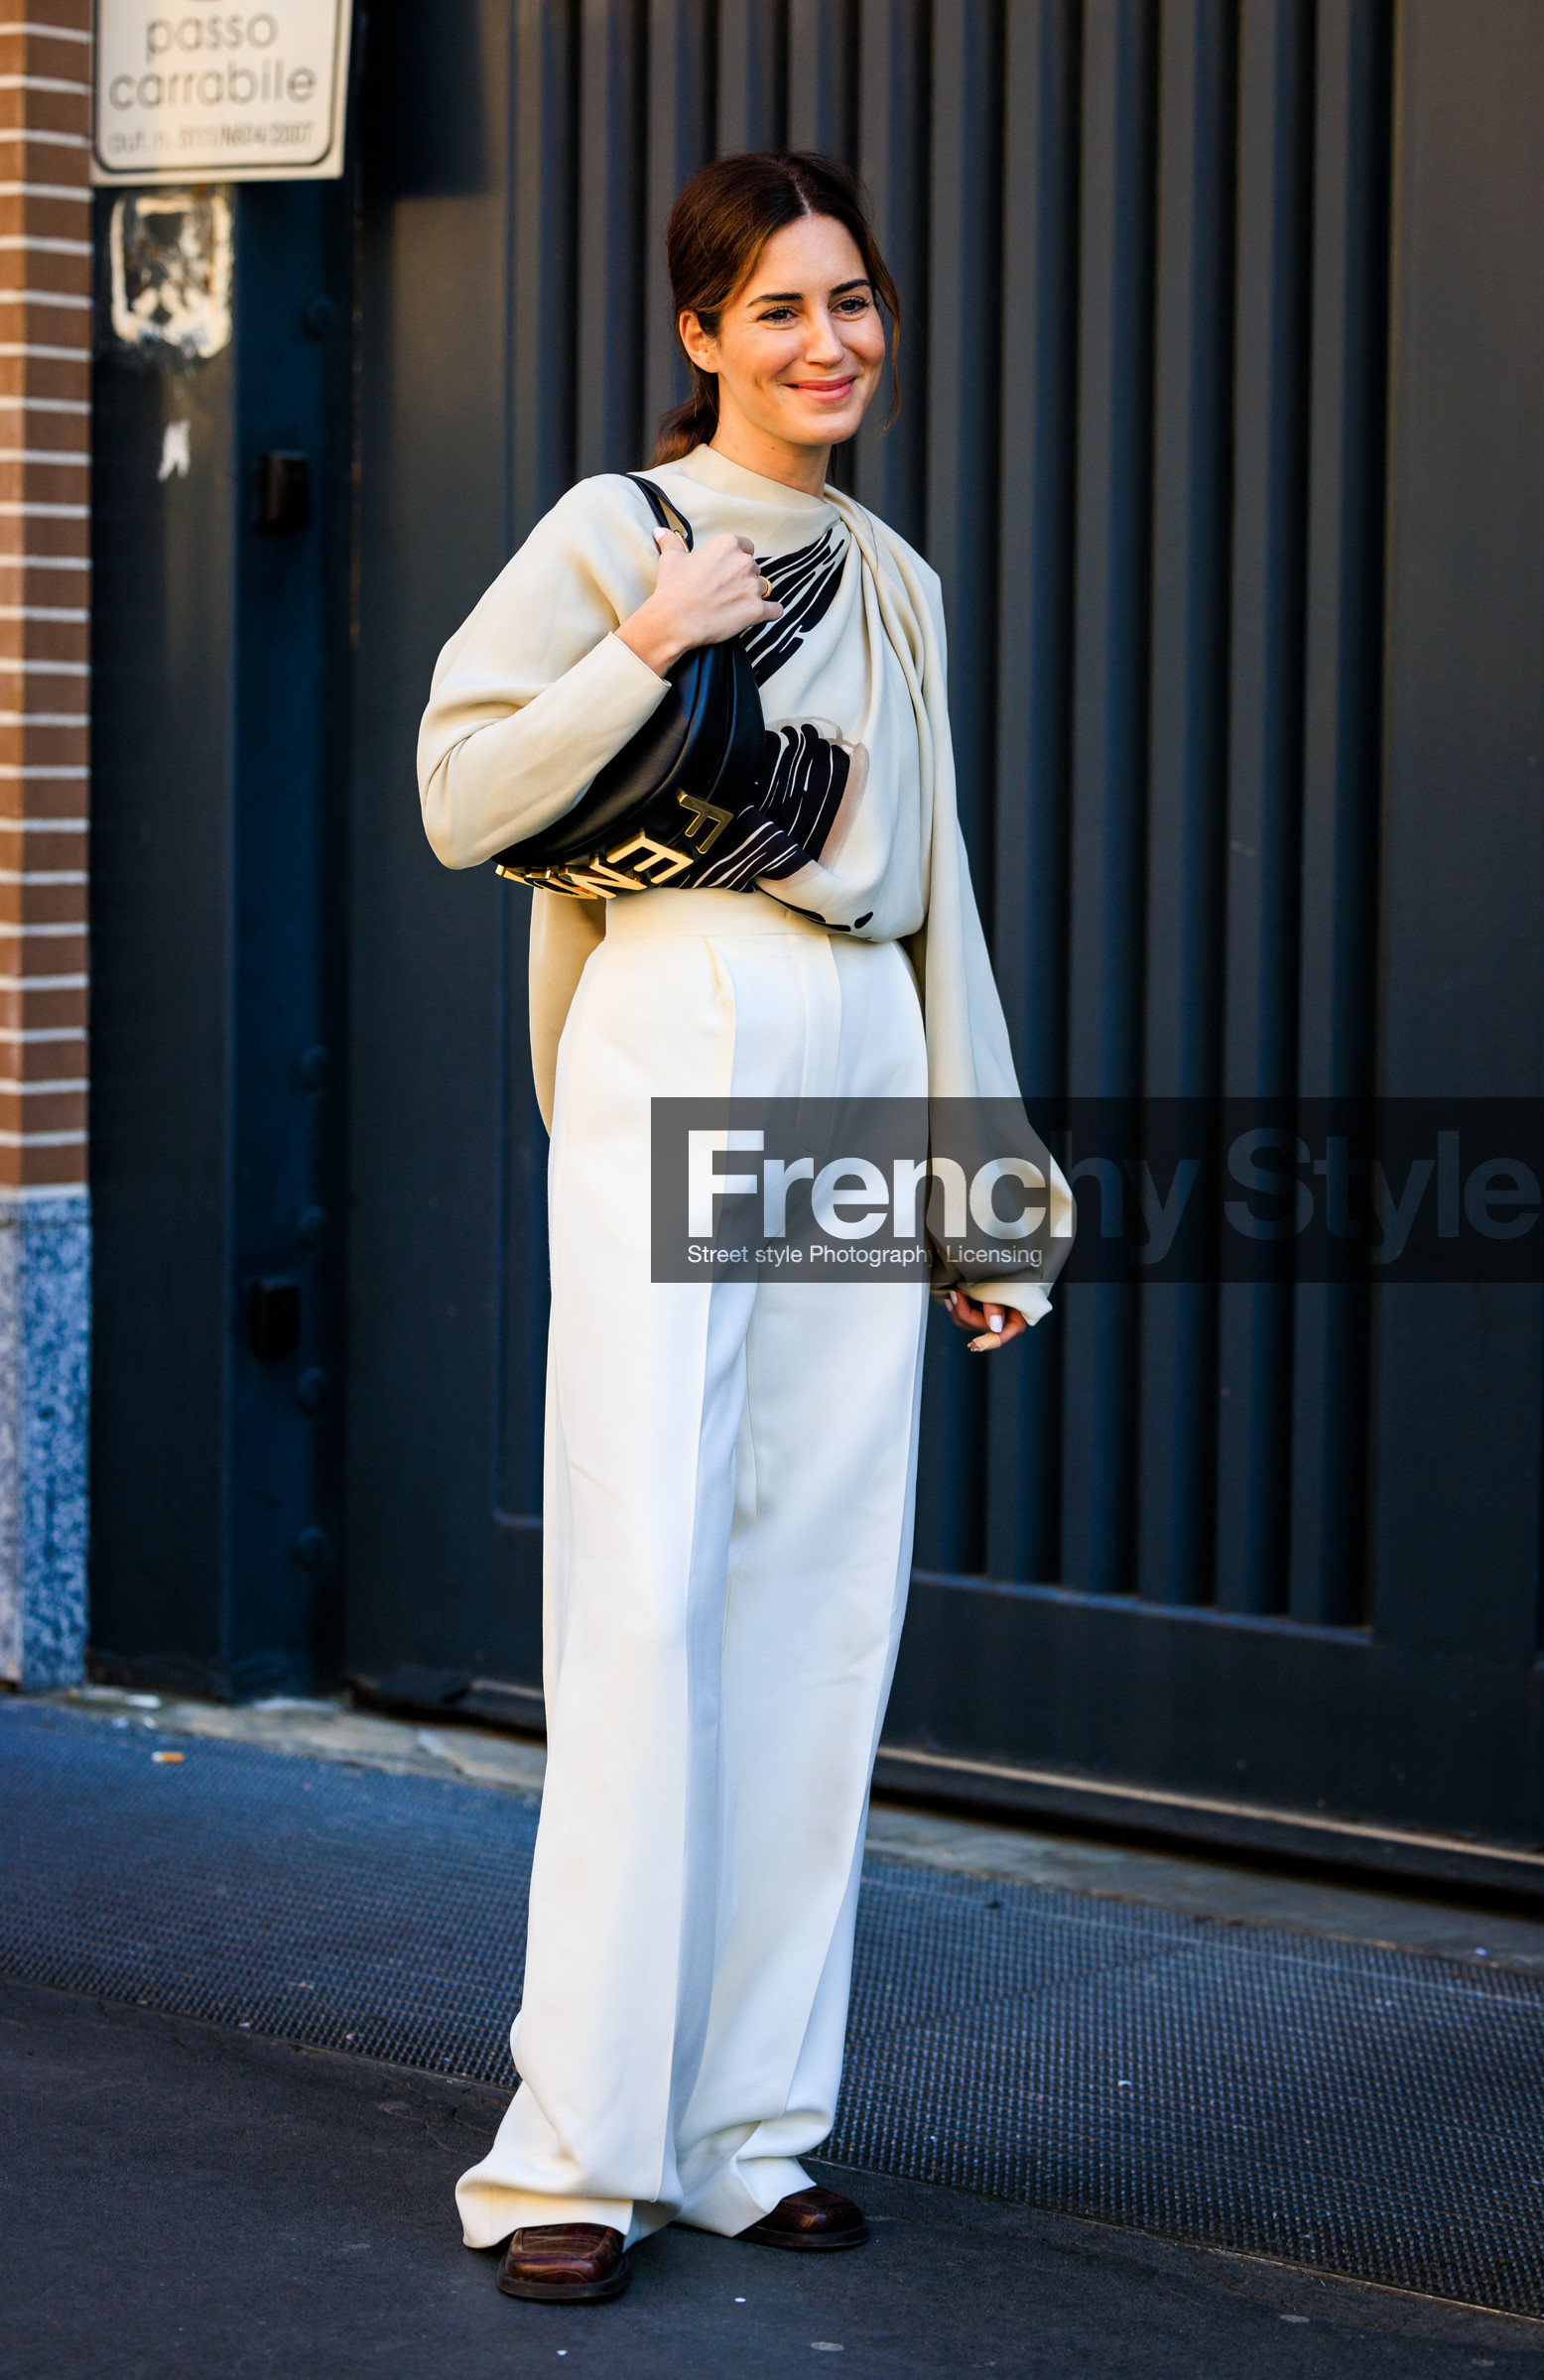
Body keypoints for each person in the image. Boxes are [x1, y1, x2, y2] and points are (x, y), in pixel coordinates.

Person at [417, 150, 1068, 2307]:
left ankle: (741, 2128)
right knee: (641, 1574)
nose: (827, 343)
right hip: (680, 1003)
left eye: (852, 301)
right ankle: (572, 2154)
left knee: (819, 1592)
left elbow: (937, 884)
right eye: (778, 308)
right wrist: (641, 654)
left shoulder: (893, 576)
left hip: (855, 1036)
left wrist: (980, 1189)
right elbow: (465, 793)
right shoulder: (619, 531)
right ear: (699, 332)